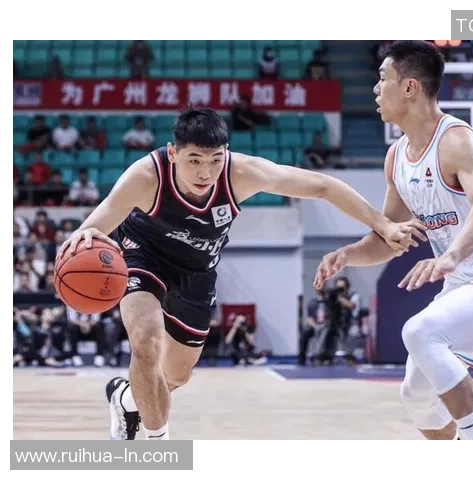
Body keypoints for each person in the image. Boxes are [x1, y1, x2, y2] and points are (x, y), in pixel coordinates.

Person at [57, 107, 426, 441]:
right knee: (146, 342)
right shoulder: (146, 175)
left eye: (215, 159)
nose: (205, 172)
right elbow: (96, 224)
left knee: (174, 377)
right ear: (173, 153)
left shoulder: (241, 173)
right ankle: (157, 448)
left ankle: (124, 397)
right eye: (194, 160)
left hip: (197, 272)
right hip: (144, 256)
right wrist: (80, 240)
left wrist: (382, 224)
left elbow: (323, 186)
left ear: (226, 153)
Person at [314, 41, 473, 440]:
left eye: (383, 78)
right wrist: (347, 255)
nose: (376, 88)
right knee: (416, 396)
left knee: (419, 332)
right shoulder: (396, 158)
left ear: (410, 88)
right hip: (465, 285)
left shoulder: (455, 140)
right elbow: (389, 238)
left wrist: (449, 257)